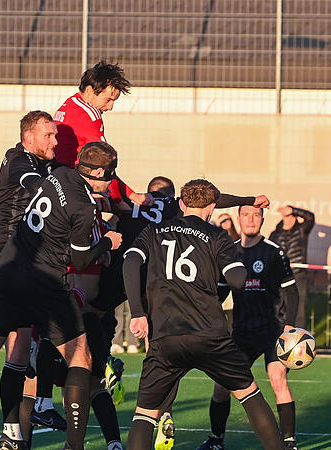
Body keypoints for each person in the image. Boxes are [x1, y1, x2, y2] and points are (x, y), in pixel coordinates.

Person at [0, 142, 123, 450]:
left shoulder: (59, 175)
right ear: (100, 173)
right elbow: (80, 261)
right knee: (80, 358)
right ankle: (74, 445)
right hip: (43, 281)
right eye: (110, 176)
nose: (110, 183)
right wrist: (107, 242)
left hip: (9, 272)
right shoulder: (84, 207)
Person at [123, 179, 283, 450]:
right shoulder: (217, 236)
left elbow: (130, 261)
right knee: (249, 395)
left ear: (181, 204)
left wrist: (138, 312)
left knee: (145, 414)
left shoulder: (154, 230)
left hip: (165, 336)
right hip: (210, 335)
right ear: (211, 208)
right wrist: (236, 267)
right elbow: (237, 280)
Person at [198, 205, 301, 450]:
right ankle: (216, 440)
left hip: (273, 330)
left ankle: (289, 442)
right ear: (239, 219)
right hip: (242, 331)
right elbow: (220, 292)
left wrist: (290, 327)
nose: (251, 220)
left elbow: (292, 292)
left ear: (262, 220)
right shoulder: (230, 252)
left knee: (277, 377)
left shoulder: (274, 252)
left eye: (256, 215)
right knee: (222, 386)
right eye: (246, 215)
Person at [52, 60, 149, 206]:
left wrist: (131, 195)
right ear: (90, 91)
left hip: (57, 178)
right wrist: (119, 200)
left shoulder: (71, 103)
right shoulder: (89, 114)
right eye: (108, 99)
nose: (110, 107)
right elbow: (105, 161)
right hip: (72, 186)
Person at [269, 204, 315, 329]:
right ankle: (280, 335)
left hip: (298, 274)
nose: (290, 219)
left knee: (299, 309)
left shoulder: (301, 230)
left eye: (292, 216)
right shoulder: (275, 234)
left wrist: (293, 210)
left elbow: (310, 218)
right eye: (287, 216)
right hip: (280, 277)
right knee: (279, 308)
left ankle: (298, 337)